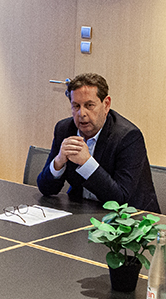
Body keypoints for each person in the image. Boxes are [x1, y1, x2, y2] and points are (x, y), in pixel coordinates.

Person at [37, 73, 159, 212]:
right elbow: (46, 189)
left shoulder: (128, 137)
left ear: (106, 104)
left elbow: (120, 198)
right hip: (83, 211)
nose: (81, 113)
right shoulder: (64, 129)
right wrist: (58, 161)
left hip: (130, 220)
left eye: (89, 105)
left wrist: (87, 163)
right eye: (76, 106)